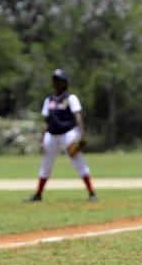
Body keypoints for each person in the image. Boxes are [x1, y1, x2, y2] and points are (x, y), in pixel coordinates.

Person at [25, 69, 98, 202]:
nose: (56, 82)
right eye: (54, 80)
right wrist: (42, 140)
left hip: (68, 133)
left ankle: (91, 192)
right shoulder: (49, 100)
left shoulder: (71, 98)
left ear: (65, 82)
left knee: (77, 161)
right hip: (52, 135)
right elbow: (45, 122)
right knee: (46, 164)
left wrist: (82, 135)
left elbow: (78, 116)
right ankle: (38, 194)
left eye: (59, 80)